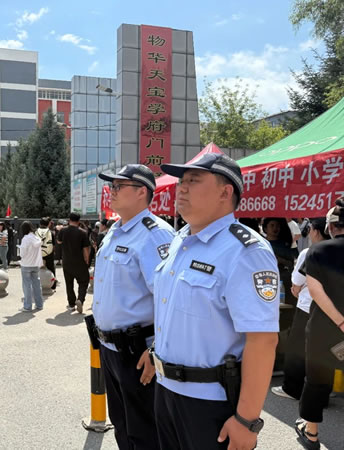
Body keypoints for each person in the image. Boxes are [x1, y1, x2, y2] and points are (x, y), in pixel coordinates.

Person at [148, 153, 279, 449]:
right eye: (181, 181)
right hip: (165, 390)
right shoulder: (181, 240)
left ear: (225, 192)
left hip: (209, 402)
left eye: (193, 180)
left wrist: (247, 420)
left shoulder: (245, 251)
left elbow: (262, 340)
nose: (182, 187)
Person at [89, 164, 175, 449]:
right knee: (122, 425)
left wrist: (157, 350)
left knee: (144, 431)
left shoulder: (155, 235)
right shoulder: (115, 231)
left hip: (139, 352)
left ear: (141, 192)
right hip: (110, 348)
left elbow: (169, 299)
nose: (111, 192)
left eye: (118, 186)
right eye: (111, 186)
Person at [294, 199, 344, 449]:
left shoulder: (318, 251)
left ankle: (311, 434)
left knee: (317, 380)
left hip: (323, 329)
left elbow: (315, 291)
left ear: (331, 226)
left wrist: (341, 322)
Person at [272, 218, 330, 401]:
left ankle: (292, 388)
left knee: (297, 348)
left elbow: (296, 281)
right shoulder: (337, 251)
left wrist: (297, 289)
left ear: (316, 231)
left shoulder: (310, 252)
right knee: (323, 350)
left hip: (307, 306)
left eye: (311, 229)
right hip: (333, 309)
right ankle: (323, 392)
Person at [57, 212, 90, 313]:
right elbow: (86, 248)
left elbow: (59, 242)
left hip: (67, 261)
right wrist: (87, 260)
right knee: (83, 282)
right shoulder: (83, 232)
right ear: (79, 221)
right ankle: (80, 299)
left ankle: (71, 304)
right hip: (79, 261)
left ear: (69, 220)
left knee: (69, 283)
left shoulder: (63, 231)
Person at [263, 217, 298, 308]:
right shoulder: (261, 244)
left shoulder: (285, 244)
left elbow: (292, 263)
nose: (275, 228)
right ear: (265, 229)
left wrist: (280, 260)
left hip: (283, 281)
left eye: (277, 226)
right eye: (272, 225)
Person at [18, 221, 44, 312]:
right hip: (35, 264)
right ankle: (39, 304)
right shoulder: (36, 238)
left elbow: (22, 253)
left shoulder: (25, 239)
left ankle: (27, 306)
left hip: (26, 264)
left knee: (27, 286)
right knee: (37, 285)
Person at [35, 218, 56, 290]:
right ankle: (53, 285)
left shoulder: (36, 232)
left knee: (37, 270)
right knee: (51, 268)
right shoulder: (50, 232)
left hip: (38, 253)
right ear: (48, 224)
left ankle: (37, 285)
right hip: (48, 253)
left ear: (40, 224)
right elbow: (53, 245)